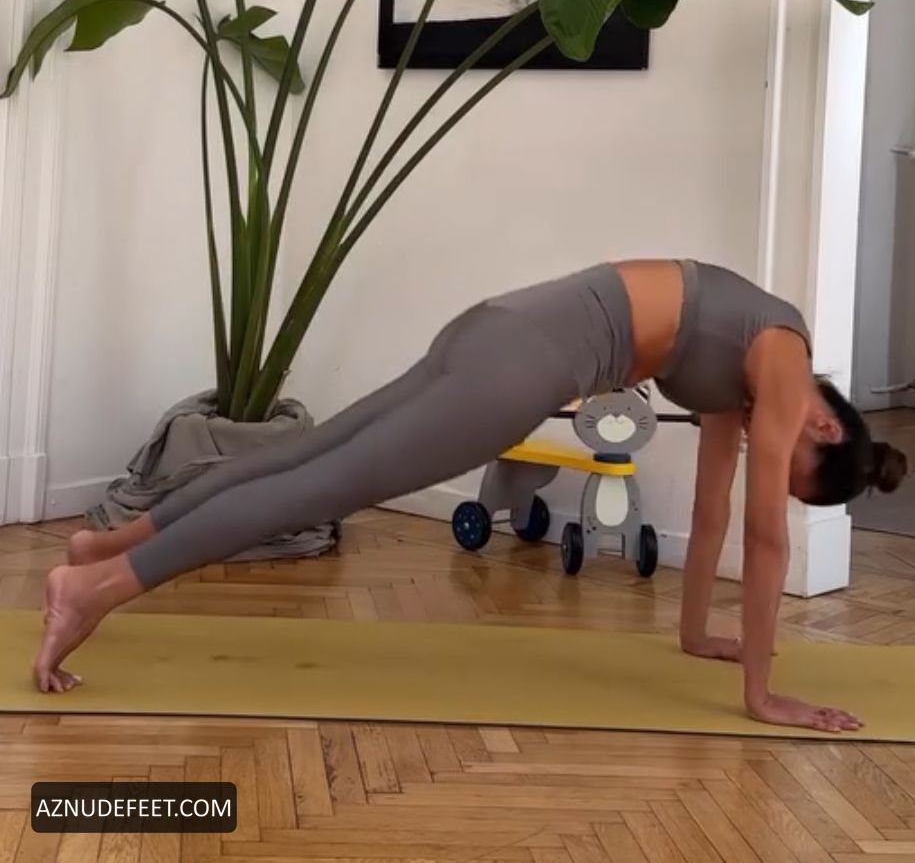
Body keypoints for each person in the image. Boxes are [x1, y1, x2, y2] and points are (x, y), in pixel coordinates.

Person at [35, 258, 906, 732]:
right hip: (517, 367)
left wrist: (696, 636)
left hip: (496, 327)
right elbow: (763, 537)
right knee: (315, 487)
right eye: (785, 460)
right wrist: (762, 696)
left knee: (303, 457)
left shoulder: (747, 364)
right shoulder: (783, 353)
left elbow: (713, 513)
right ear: (823, 426)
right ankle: (97, 590)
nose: (761, 450)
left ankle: (105, 545)